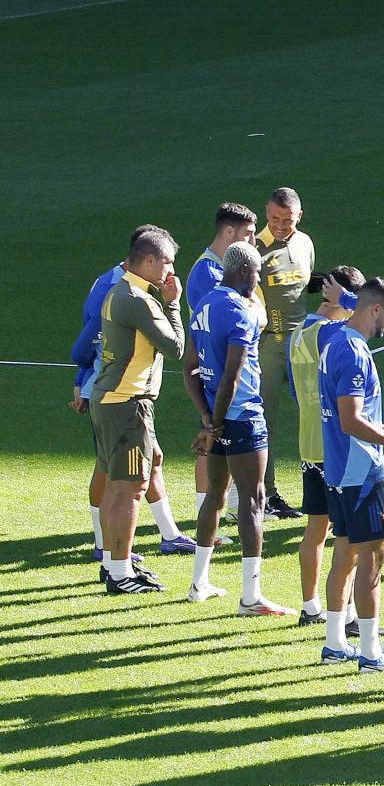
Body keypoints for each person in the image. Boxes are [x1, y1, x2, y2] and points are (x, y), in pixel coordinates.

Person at [182, 242, 289, 613]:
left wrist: (207, 418)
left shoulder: (203, 305)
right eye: (257, 274)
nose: (257, 281)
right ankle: (251, 595)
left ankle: (199, 582)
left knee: (215, 495)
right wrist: (218, 424)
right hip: (242, 417)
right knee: (253, 499)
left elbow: (188, 369)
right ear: (244, 271)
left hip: (216, 414)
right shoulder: (240, 312)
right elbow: (232, 376)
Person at [71, 232, 191, 563]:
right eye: (168, 262)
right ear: (149, 260)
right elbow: (175, 347)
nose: (171, 270)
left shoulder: (118, 289)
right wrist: (173, 303)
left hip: (112, 400)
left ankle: (112, 562)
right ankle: (121, 571)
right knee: (130, 489)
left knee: (120, 482)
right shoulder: (138, 299)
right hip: (128, 405)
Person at [316, 276, 384, 672]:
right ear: (374, 310)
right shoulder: (355, 353)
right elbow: (352, 420)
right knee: (373, 556)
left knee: (345, 553)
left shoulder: (334, 336)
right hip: (361, 468)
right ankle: (372, 653)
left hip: (339, 467)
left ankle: (335, 643)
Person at [288, 267, 362, 627]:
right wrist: (347, 299)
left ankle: (311, 606)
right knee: (349, 535)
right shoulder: (335, 333)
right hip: (337, 446)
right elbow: (371, 314)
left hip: (308, 443)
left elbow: (293, 389)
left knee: (316, 529)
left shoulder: (299, 332)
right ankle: (345, 614)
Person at [186, 203, 258, 519]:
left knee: (218, 439)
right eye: (248, 235)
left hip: (222, 366)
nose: (252, 243)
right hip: (215, 370)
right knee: (212, 437)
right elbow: (249, 316)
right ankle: (209, 512)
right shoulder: (208, 273)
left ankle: (217, 511)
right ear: (229, 232)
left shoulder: (223, 269)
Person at [256, 187, 315, 520]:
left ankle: (320, 492)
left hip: (303, 344)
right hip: (269, 346)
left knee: (317, 417)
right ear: (267, 212)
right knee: (264, 422)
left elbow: (303, 289)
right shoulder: (254, 249)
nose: (281, 225)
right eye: (275, 219)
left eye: (288, 220)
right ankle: (266, 495)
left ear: (299, 216)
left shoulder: (304, 243)